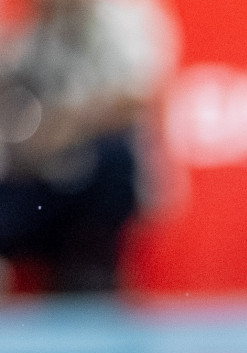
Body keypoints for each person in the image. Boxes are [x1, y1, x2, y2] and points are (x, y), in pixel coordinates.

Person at [0, 0, 173, 292]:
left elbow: (137, 99)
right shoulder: (32, 28)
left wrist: (70, 125)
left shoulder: (128, 19)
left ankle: (91, 269)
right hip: (37, 178)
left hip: (96, 180)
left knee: (113, 155)